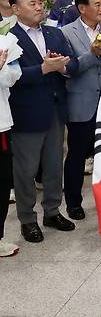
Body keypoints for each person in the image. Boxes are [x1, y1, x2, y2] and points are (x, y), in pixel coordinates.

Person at [9, 0, 79, 243]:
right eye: (32, 4)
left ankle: (52, 211)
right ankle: (27, 219)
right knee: (25, 171)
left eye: (40, 2)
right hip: (26, 112)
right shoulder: (9, 38)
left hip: (55, 109)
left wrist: (64, 67)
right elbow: (10, 77)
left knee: (53, 165)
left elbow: (72, 62)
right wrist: (43, 68)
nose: (39, 7)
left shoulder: (54, 32)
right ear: (16, 9)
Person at [61, 0, 101, 221]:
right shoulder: (66, 33)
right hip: (81, 101)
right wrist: (92, 54)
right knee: (77, 155)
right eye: (97, 4)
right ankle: (73, 201)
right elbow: (68, 68)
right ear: (82, 8)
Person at [0, 23, 21, 256]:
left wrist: (2, 68)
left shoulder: (5, 41)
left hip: (1, 124)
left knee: (3, 181)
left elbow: (13, 77)